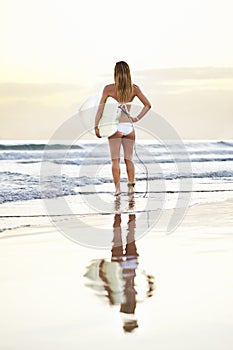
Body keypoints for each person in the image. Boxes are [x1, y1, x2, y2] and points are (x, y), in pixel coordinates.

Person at [94, 61, 151, 196]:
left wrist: (96, 126)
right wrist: (136, 118)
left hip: (115, 128)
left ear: (115, 73)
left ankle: (118, 189)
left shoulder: (108, 89)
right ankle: (131, 188)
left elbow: (100, 109)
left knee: (115, 161)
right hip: (129, 127)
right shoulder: (134, 89)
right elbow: (148, 105)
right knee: (129, 160)